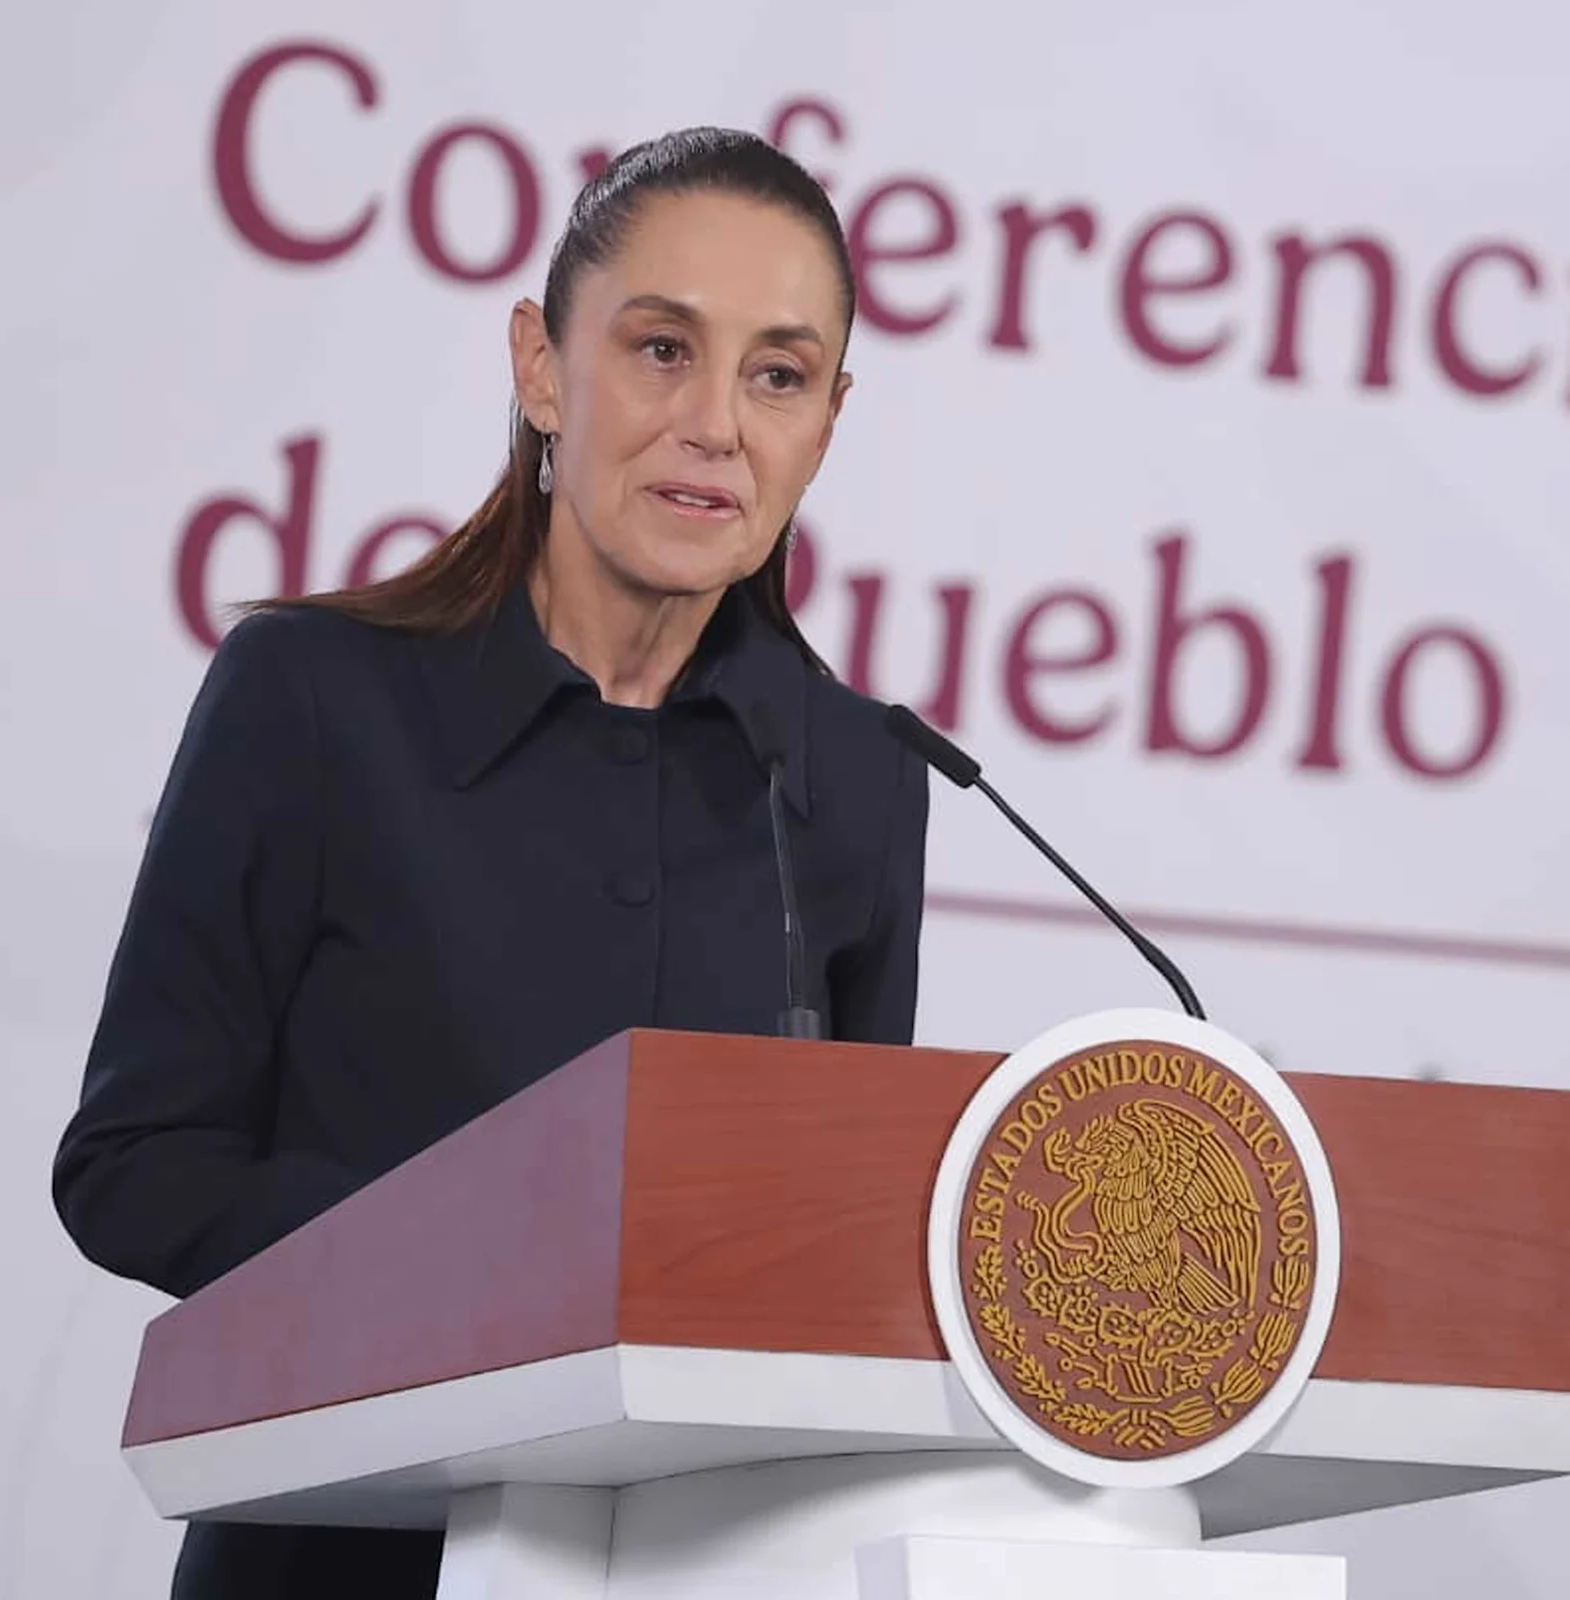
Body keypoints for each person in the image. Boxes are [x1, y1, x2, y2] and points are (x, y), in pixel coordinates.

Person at [50, 126, 929, 1599]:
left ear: (827, 422)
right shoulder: (312, 698)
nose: (714, 423)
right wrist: (487, 1273)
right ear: (541, 367)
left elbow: (832, 1265)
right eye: (661, 349)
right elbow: (134, 1167)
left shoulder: (860, 780)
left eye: (778, 375)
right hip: (332, 1560)